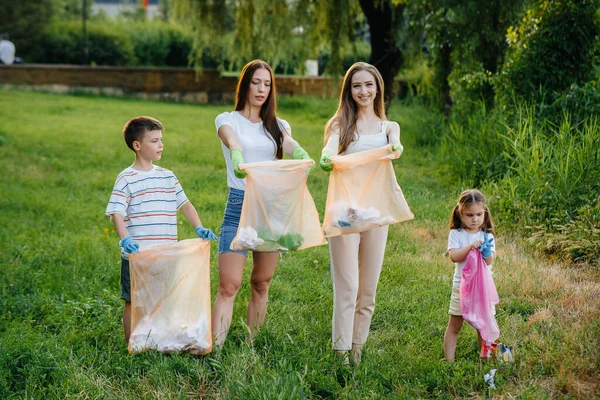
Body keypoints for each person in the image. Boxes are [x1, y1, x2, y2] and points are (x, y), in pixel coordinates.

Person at [213, 59, 313, 347]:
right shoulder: (227, 119)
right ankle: (214, 350)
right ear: (245, 84)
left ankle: (250, 345)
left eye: (267, 84)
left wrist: (301, 153)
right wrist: (236, 154)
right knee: (229, 284)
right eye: (256, 82)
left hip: (271, 208)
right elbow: (231, 140)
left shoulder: (278, 125)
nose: (261, 89)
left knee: (261, 282)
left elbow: (288, 143)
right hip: (239, 203)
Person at [319, 62, 403, 364]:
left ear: (377, 87)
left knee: (367, 290)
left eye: (368, 85)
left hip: (376, 215)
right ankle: (340, 354)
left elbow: (396, 146)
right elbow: (329, 150)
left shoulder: (387, 128)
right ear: (349, 90)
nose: (363, 91)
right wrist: (328, 157)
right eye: (357, 86)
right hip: (345, 213)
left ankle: (357, 350)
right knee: (347, 287)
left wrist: (395, 148)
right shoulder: (341, 126)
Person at [105, 116, 218, 342]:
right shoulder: (126, 178)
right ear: (137, 146)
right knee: (133, 300)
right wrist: (125, 239)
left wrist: (199, 227)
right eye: (155, 141)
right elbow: (116, 212)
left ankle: (158, 338)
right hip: (138, 255)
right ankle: (133, 343)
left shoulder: (167, 176)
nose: (161, 145)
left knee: (163, 298)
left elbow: (185, 204)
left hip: (166, 253)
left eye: (161, 140)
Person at [444, 189, 496, 361]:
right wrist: (470, 247)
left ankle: (484, 358)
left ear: (484, 213)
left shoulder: (486, 235)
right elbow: (454, 256)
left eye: (479, 214)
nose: (475, 219)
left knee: (483, 325)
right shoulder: (456, 234)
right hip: (462, 287)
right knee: (455, 325)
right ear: (461, 214)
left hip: (482, 288)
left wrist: (486, 251)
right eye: (470, 215)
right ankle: (449, 362)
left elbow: (489, 262)